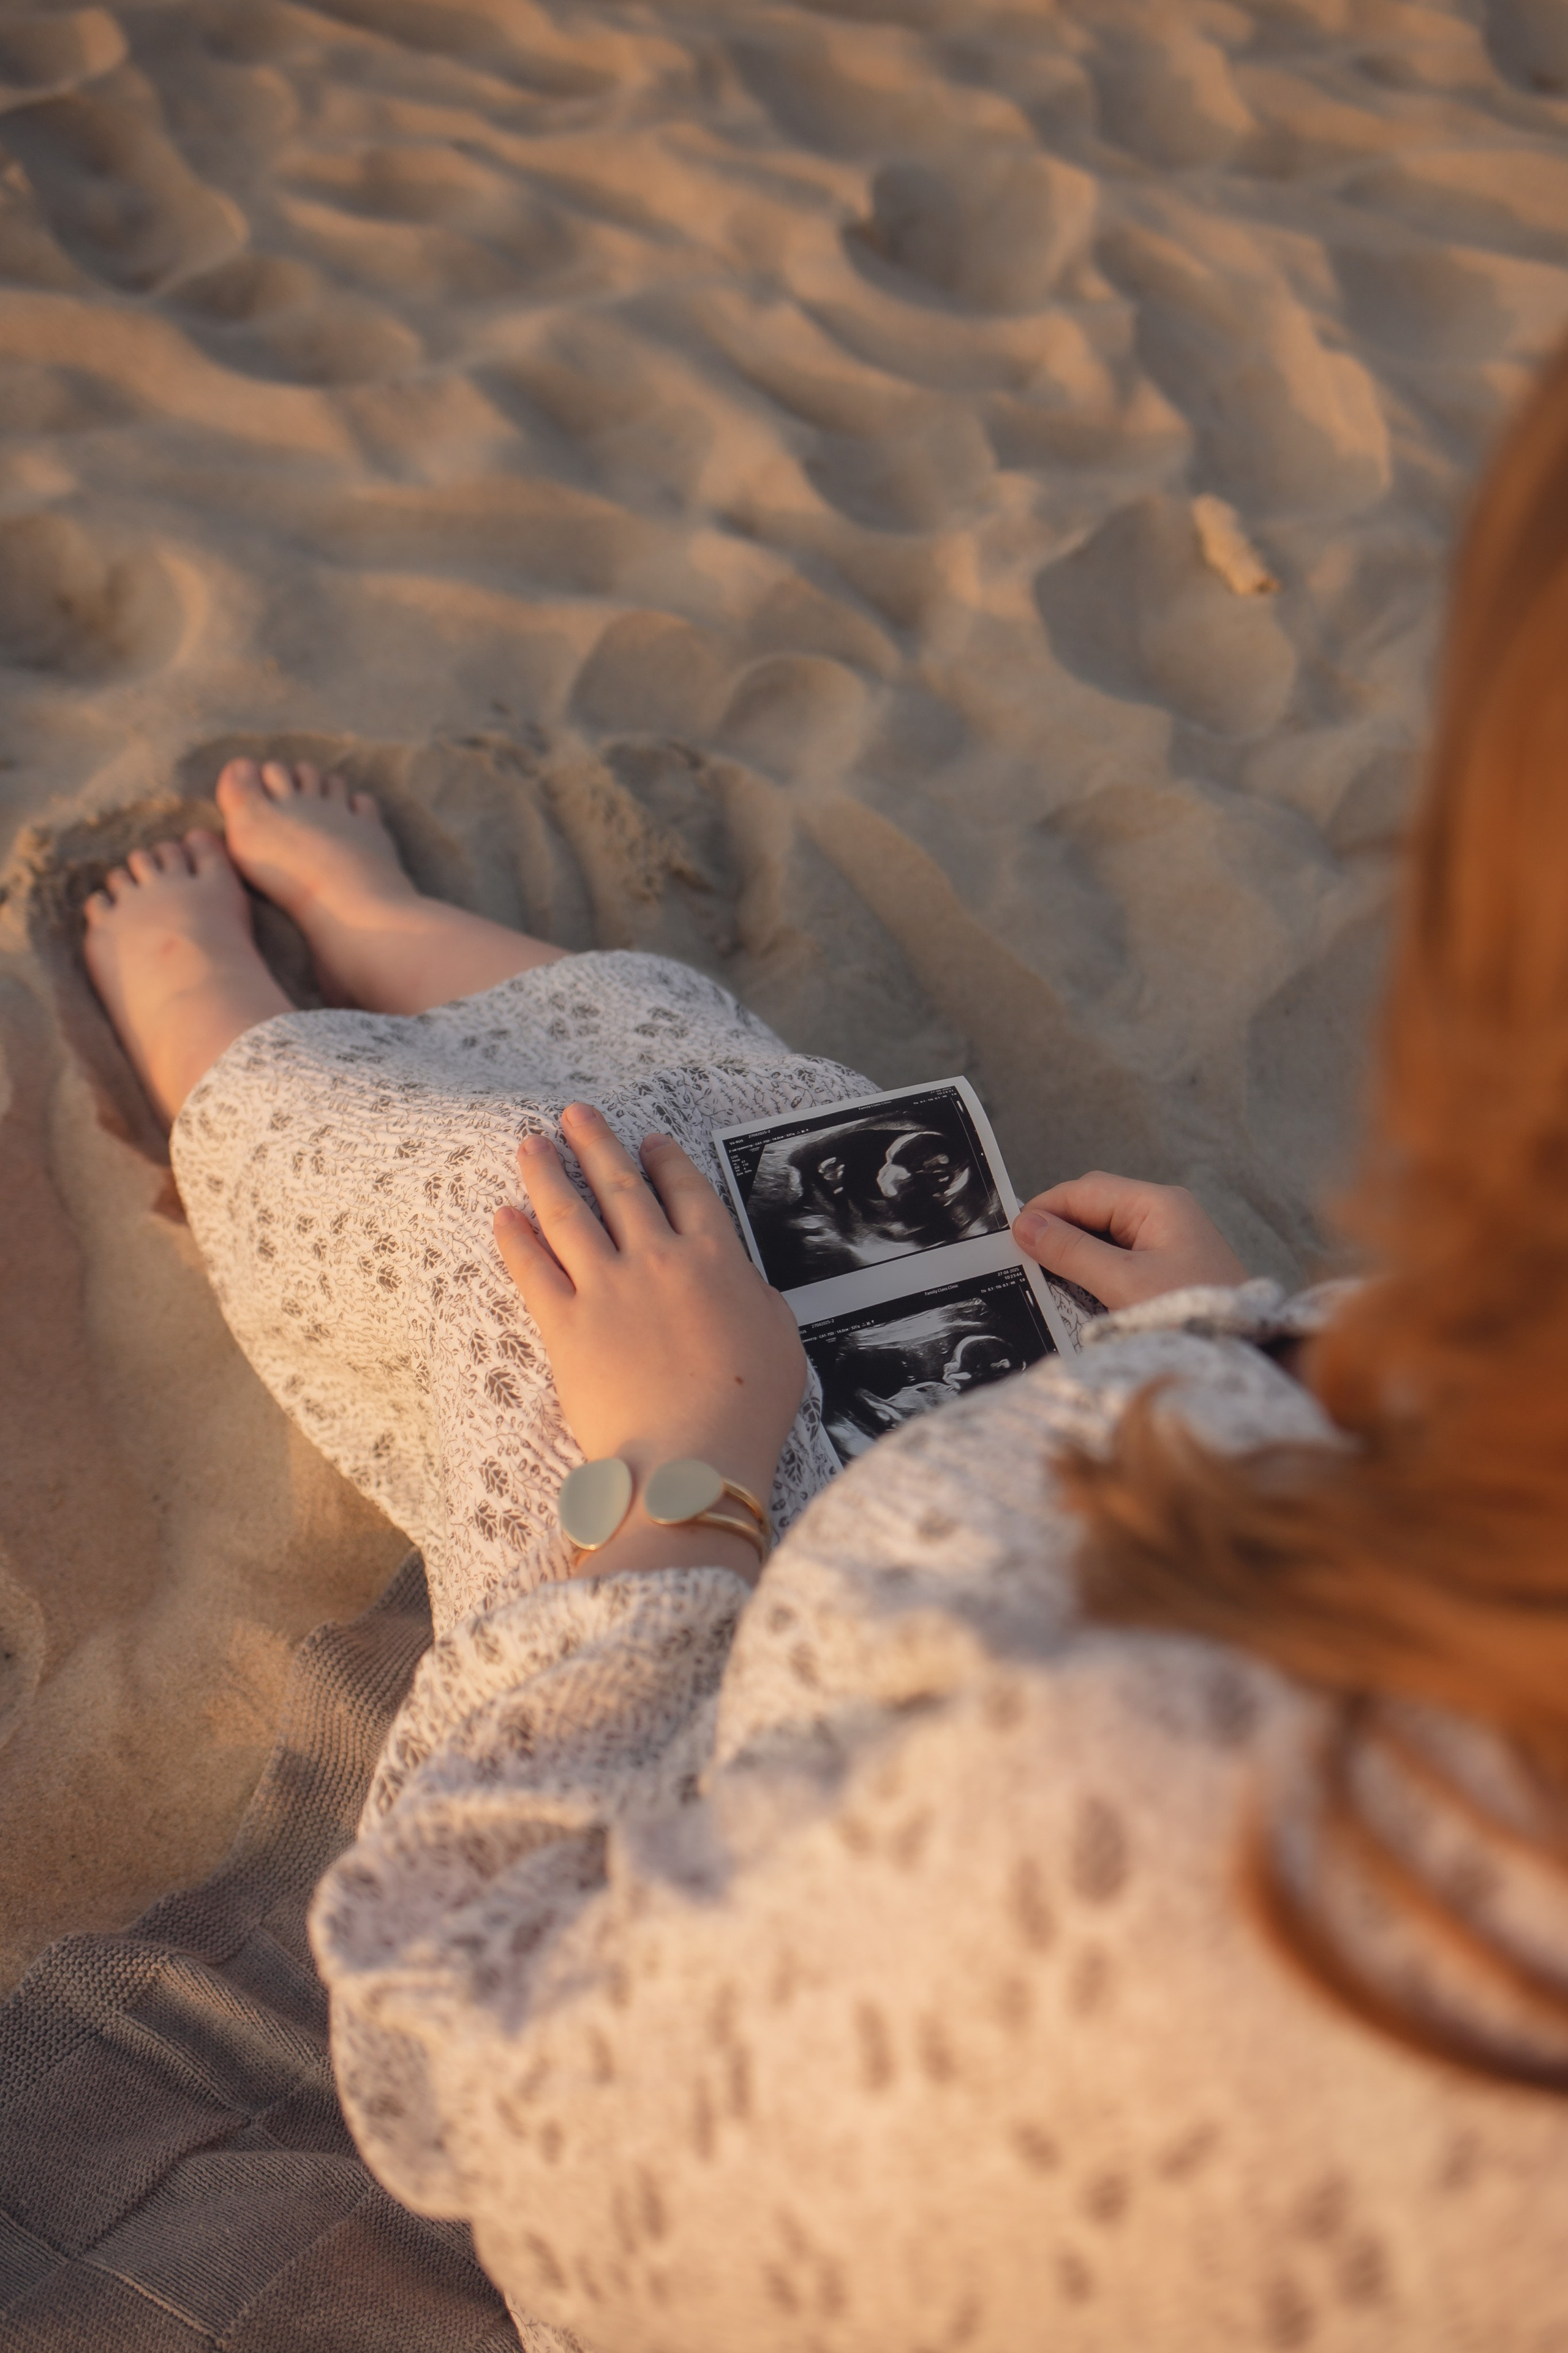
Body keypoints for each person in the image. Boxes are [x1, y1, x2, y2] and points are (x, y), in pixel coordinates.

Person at [77, 326, 1568, 2349]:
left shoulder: (1178, 1891)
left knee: (507, 1230)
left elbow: (480, 2050)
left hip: (723, 1685)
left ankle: (221, 1054)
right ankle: (406, 946)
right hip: (1085, 1549)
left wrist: (672, 1489)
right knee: (795, 1153)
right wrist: (1256, 1342)